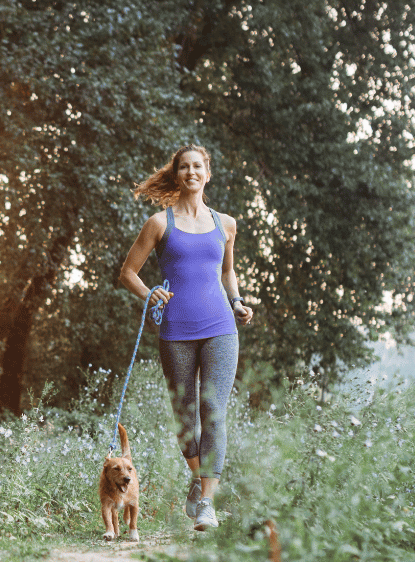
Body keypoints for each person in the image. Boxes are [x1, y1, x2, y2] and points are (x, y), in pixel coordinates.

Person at [119, 144, 253, 531]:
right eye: (184, 167)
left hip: (221, 327)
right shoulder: (160, 224)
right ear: (176, 175)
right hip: (175, 329)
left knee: (215, 412)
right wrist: (149, 294)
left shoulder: (225, 223)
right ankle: (198, 479)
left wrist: (238, 302)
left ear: (207, 173)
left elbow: (228, 272)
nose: (191, 172)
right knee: (186, 416)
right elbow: (128, 272)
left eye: (198, 166)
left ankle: (207, 502)